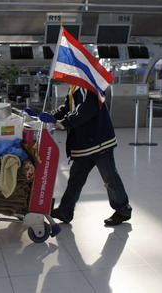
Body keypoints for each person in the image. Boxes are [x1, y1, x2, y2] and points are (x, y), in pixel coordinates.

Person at [50, 85, 132, 226]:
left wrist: (64, 123)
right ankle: (65, 211)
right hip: (85, 144)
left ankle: (123, 210)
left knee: (110, 178)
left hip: (98, 141)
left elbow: (87, 108)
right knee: (75, 178)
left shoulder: (89, 85)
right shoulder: (74, 86)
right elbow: (68, 108)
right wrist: (49, 116)